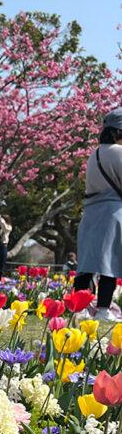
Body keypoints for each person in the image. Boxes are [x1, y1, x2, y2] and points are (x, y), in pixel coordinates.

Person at [74, 108, 122, 321]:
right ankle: (103, 309)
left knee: (87, 263)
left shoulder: (94, 154)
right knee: (108, 263)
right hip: (113, 213)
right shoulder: (119, 152)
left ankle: (79, 307)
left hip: (91, 212)